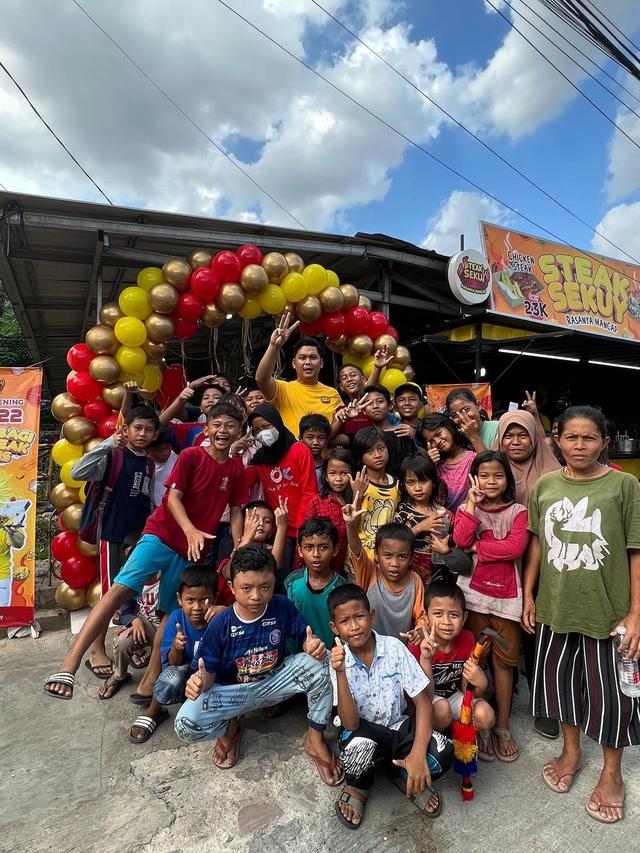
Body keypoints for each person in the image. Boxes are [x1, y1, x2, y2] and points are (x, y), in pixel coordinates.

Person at [44, 402, 248, 704]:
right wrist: (190, 529)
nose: (223, 430)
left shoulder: (236, 469)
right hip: (161, 535)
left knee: (171, 612)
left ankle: (152, 678)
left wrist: (240, 543)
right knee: (119, 591)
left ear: (239, 432)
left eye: (230, 425)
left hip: (191, 550)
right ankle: (69, 664)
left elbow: (236, 509)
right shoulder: (191, 456)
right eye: (217, 424)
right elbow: (173, 498)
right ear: (206, 428)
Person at [523, 405, 640, 824]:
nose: (579, 445)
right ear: (557, 440)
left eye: (589, 438)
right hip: (556, 609)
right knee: (562, 687)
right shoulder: (545, 485)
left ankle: (612, 774)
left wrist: (636, 614)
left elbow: (636, 550)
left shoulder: (625, 485)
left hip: (608, 614)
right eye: (570, 437)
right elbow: (537, 542)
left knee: (613, 698)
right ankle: (570, 753)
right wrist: (528, 594)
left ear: (604, 442)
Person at [174, 544, 342, 785]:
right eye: (247, 588)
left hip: (275, 682)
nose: (256, 595)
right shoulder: (221, 624)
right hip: (233, 693)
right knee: (184, 725)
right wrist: (199, 682)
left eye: (264, 587)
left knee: (322, 659)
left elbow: (305, 636)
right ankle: (229, 726)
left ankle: (315, 738)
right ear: (231, 587)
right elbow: (208, 674)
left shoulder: (281, 606)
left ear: (274, 583)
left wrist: (311, 645)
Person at [329, 583, 453, 828]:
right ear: (335, 627)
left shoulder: (394, 648)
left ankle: (405, 772)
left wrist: (418, 754)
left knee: (444, 752)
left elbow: (423, 702)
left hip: (399, 727)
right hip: (364, 731)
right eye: (344, 621)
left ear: (372, 616)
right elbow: (351, 723)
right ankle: (359, 787)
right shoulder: (337, 660)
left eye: (359, 616)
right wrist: (341, 672)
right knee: (355, 751)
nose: (354, 626)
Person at [69, 404, 159, 679]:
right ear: (126, 429)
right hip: (112, 534)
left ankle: (130, 642)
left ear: (155, 434)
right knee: (110, 595)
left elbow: (146, 497)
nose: (142, 434)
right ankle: (96, 650)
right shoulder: (113, 455)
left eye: (148, 430)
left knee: (134, 590)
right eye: (137, 428)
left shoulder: (148, 462)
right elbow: (77, 473)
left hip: (137, 535)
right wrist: (108, 443)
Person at [453, 451, 529, 762]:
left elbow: (515, 547)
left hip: (507, 602)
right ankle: (479, 722)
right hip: (472, 599)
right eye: (483, 475)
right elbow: (460, 539)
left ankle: (503, 726)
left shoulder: (518, 511)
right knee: (475, 662)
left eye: (498, 475)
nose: (491, 481)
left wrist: (477, 546)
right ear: (474, 479)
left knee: (504, 664)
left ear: (508, 480)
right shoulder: (467, 509)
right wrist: (471, 505)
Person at [498, 405, 560, 739]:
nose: (516, 441)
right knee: (520, 633)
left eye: (523, 434)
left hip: (549, 564)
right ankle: (523, 694)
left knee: (545, 632)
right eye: (509, 435)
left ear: (535, 437)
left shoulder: (554, 473)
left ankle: (549, 700)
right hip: (506, 566)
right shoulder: (494, 471)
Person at [129, 567, 214, 743]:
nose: (197, 607)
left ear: (215, 599)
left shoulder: (218, 620)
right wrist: (176, 646)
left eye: (204, 600)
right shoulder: (176, 618)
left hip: (209, 677)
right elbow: (172, 663)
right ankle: (154, 709)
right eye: (190, 600)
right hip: (183, 675)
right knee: (172, 676)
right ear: (179, 599)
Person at [413, 580, 495, 753]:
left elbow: (467, 691)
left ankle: (460, 732)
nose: (447, 621)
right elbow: (422, 696)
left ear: (464, 618)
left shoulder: (467, 639)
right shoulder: (417, 645)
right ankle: (436, 740)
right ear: (425, 617)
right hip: (425, 703)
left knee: (486, 716)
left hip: (453, 696)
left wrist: (481, 684)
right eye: (438, 614)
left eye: (454, 615)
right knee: (442, 710)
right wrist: (426, 659)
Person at [245, 404, 317, 580]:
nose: (263, 433)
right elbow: (241, 484)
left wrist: (301, 530)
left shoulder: (299, 450)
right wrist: (233, 451)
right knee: (277, 578)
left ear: (277, 423)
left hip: (302, 529)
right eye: (257, 430)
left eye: (266, 426)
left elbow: (309, 493)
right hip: (277, 532)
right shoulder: (259, 460)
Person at [343, 494, 424, 640]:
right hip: (369, 646)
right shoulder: (370, 572)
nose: (394, 563)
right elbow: (356, 550)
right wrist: (350, 525)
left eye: (402, 557)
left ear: (411, 559)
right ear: (376, 555)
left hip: (399, 649)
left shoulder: (415, 580)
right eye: (387, 556)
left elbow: (421, 617)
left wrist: (419, 632)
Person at [255, 314, 341, 436]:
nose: (308, 362)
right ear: (294, 363)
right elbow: (261, 379)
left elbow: (333, 433)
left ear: (321, 363)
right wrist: (274, 346)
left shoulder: (333, 394)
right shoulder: (283, 389)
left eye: (313, 357)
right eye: (302, 357)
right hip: (291, 448)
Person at [286, 517, 346, 647]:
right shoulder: (291, 582)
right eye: (309, 547)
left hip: (331, 654)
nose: (316, 554)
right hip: (294, 656)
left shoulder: (342, 588)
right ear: (300, 550)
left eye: (323, 547)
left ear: (335, 549)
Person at [99, 573, 160, 700]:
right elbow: (125, 612)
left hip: (169, 626)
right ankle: (119, 675)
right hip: (146, 624)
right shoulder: (134, 581)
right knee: (122, 642)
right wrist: (134, 620)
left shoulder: (167, 576)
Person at [394, 455, 452, 585]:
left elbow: (454, 551)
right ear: (404, 485)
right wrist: (420, 527)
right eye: (411, 482)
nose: (417, 488)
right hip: (407, 579)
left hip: (437, 581)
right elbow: (395, 543)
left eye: (423, 481)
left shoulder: (445, 515)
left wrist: (446, 551)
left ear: (434, 482)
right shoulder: (402, 510)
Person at [300, 448, 353, 575]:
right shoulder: (317, 502)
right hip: (322, 567)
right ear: (326, 476)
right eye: (333, 473)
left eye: (344, 473)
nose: (338, 479)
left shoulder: (357, 501)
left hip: (351, 567)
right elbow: (304, 536)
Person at [351, 428, 399, 558]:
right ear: (361, 455)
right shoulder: (357, 483)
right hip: (361, 556)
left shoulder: (396, 483)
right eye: (369, 451)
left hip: (387, 557)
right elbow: (351, 524)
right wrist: (358, 495)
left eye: (381, 448)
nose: (377, 455)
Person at [419, 414, 475, 512]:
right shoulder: (436, 464)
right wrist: (428, 465)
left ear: (449, 427)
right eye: (431, 441)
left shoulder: (472, 458)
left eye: (438, 434)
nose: (437, 441)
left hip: (467, 515)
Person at [361, 384, 417, 477]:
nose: (375, 406)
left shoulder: (402, 432)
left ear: (390, 405)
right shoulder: (363, 436)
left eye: (380, 401)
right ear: (363, 410)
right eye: (369, 403)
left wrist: (415, 435)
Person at [159, 376, 226, 449]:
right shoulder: (192, 430)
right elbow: (159, 425)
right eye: (206, 398)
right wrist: (180, 399)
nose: (210, 400)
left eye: (216, 397)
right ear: (200, 408)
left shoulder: (233, 429)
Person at [446, 387, 498, 452]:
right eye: (455, 415)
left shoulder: (498, 428)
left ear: (478, 405)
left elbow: (491, 459)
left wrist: (473, 436)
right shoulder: (457, 440)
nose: (462, 417)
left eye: (466, 410)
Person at [147, 427, 178, 507]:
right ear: (148, 450)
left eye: (168, 447)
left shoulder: (178, 461)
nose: (165, 453)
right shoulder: (143, 464)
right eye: (159, 450)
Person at [299, 413, 331, 489]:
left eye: (321, 438)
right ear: (300, 439)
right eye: (310, 438)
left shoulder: (329, 467)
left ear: (327, 440)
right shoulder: (295, 465)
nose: (316, 442)